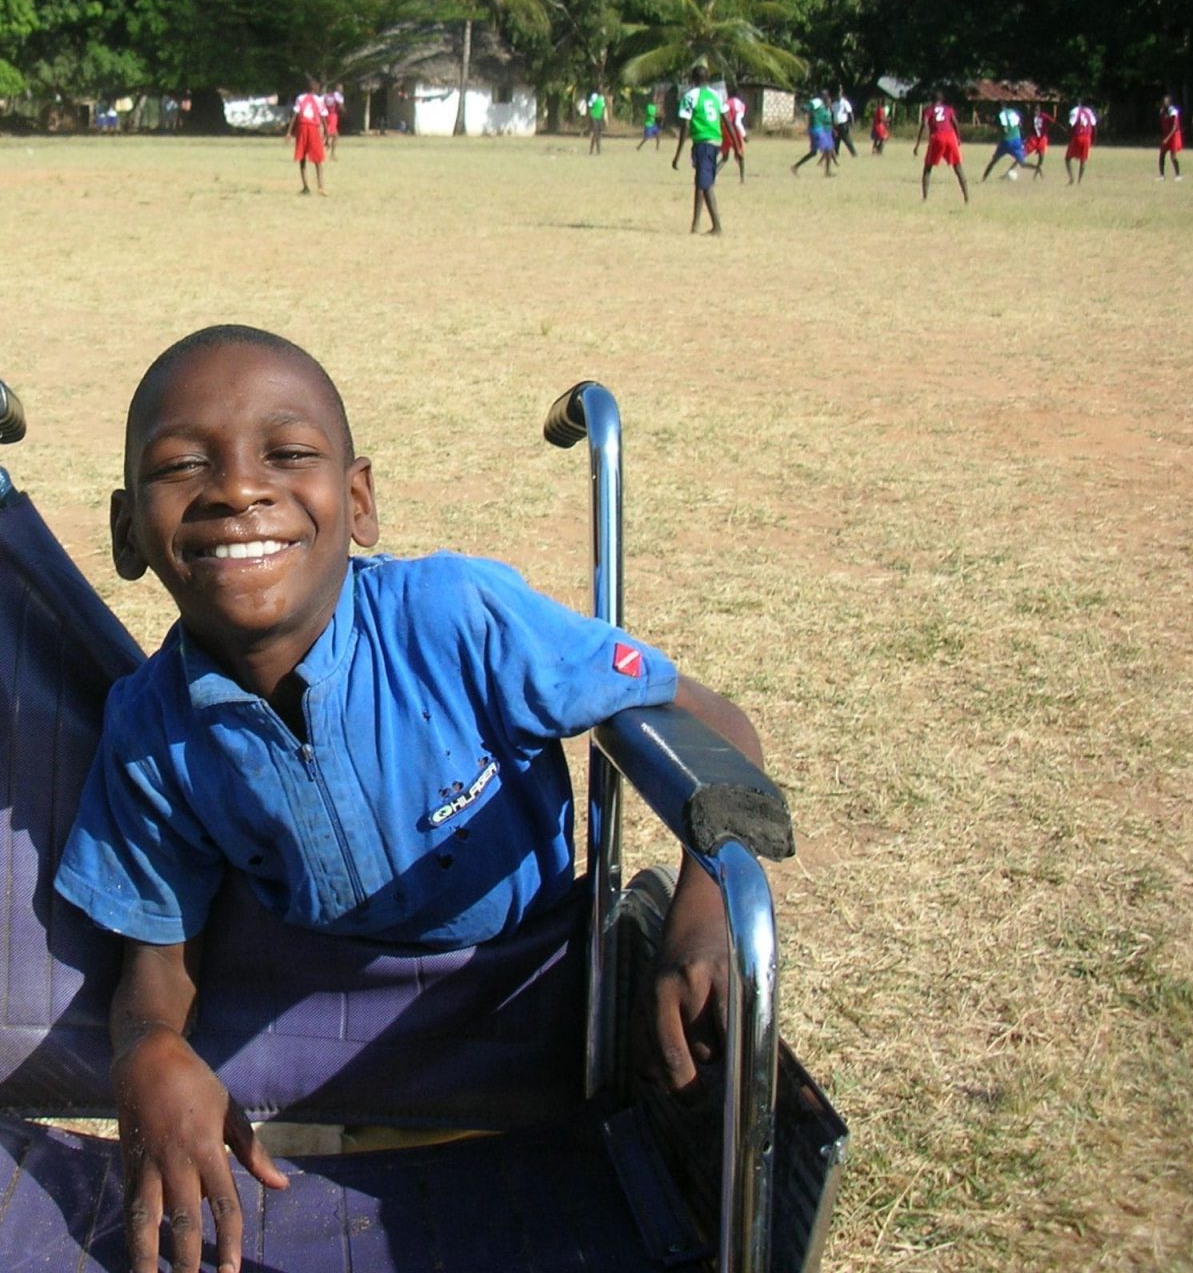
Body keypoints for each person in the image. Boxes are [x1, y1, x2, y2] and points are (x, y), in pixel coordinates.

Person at [55, 326, 764, 1273]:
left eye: (288, 455)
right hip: (313, 1070)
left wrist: (705, 913)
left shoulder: (459, 618)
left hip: (532, 1035)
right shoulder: (150, 730)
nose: (235, 488)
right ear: (126, 533)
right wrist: (147, 1051)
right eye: (184, 466)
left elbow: (720, 728)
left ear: (357, 500)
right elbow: (156, 959)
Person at [670, 62, 727, 235]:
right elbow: (727, 120)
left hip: (703, 141)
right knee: (700, 182)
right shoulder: (716, 95)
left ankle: (717, 227)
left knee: (705, 183)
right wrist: (734, 145)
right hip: (715, 141)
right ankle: (695, 224)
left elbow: (685, 127)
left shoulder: (690, 96)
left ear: (692, 79)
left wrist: (677, 154)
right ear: (708, 79)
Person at [913, 90, 970, 203]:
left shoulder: (928, 110)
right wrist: (958, 138)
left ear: (931, 100)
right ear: (942, 100)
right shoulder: (949, 109)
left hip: (937, 137)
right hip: (950, 136)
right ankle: (967, 197)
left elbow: (924, 124)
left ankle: (925, 198)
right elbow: (955, 122)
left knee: (927, 169)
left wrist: (918, 144)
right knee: (958, 167)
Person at [290, 83, 328, 195]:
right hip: (312, 128)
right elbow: (322, 116)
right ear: (315, 89)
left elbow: (295, 115)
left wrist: (289, 131)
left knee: (302, 158)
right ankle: (320, 186)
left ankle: (306, 187)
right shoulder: (319, 100)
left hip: (302, 127)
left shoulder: (300, 98)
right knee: (318, 159)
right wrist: (326, 131)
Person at [983, 102, 1032, 183]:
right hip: (1017, 139)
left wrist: (994, 125)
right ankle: (1037, 168)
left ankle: (983, 179)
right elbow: (1019, 124)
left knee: (994, 161)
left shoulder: (1001, 114)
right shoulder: (1012, 112)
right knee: (1022, 163)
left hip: (1007, 141)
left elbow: (1005, 129)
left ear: (998, 108)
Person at [792, 91, 835, 175]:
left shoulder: (824, 106)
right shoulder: (817, 101)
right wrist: (807, 110)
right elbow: (806, 107)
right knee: (828, 149)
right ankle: (827, 172)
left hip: (817, 129)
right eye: (826, 96)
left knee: (813, 152)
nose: (828, 98)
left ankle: (795, 167)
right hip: (817, 130)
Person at [1064, 98, 1098, 185]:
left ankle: (1071, 178)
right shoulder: (1089, 112)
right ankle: (1079, 181)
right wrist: (1093, 139)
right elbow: (1094, 126)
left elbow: (1071, 124)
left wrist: (1067, 133)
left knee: (1068, 159)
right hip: (1087, 138)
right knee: (1083, 160)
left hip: (1078, 137)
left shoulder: (1075, 111)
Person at [724, 85, 748, 183]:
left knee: (724, 157)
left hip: (725, 129)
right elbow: (737, 122)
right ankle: (742, 179)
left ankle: (713, 174)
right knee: (740, 154)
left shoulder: (727, 102)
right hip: (735, 131)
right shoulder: (741, 105)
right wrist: (744, 134)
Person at [1023, 104, 1052, 181]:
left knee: (1041, 159)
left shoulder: (1044, 116)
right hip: (1033, 139)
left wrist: (1046, 128)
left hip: (1042, 139)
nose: (1035, 112)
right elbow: (1029, 128)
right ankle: (1009, 171)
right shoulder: (1032, 118)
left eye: (1037, 110)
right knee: (1021, 155)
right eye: (1034, 110)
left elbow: (1052, 121)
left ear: (1039, 110)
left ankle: (1036, 177)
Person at [1158, 94, 1183, 179]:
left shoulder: (1174, 111)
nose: (1166, 103)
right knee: (1162, 155)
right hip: (1166, 135)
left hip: (1173, 136)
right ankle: (1162, 176)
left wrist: (1167, 138)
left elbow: (1175, 127)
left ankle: (1178, 175)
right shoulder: (1162, 111)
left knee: (1173, 157)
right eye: (1165, 101)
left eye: (1167, 102)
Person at [831, 89, 857, 157]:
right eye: (837, 95)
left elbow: (850, 113)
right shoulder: (834, 104)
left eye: (839, 94)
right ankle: (836, 153)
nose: (838, 96)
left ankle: (854, 153)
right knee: (836, 140)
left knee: (847, 139)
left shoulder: (845, 102)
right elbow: (833, 114)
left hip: (843, 124)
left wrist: (852, 122)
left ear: (841, 94)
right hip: (836, 124)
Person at [586, 88, 606, 152]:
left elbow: (603, 108)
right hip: (594, 117)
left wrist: (603, 118)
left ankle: (597, 149)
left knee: (599, 134)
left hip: (599, 117)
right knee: (595, 133)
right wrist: (590, 116)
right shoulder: (594, 96)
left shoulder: (602, 98)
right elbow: (590, 106)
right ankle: (593, 150)